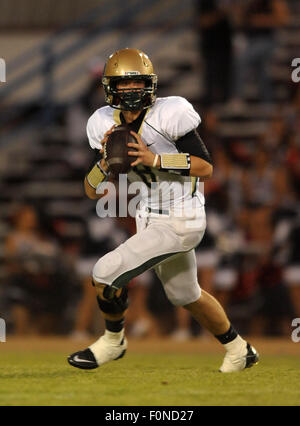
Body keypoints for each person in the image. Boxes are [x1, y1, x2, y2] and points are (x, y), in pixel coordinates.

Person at [68, 48, 259, 373]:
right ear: (109, 88)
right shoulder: (101, 122)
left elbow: (205, 167)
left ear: (150, 84)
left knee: (103, 272)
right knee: (186, 294)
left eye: (137, 83)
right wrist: (104, 163)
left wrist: (153, 159)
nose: (131, 91)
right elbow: (90, 189)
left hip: (182, 218)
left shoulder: (170, 113)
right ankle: (240, 349)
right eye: (124, 85)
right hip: (150, 217)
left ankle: (113, 342)